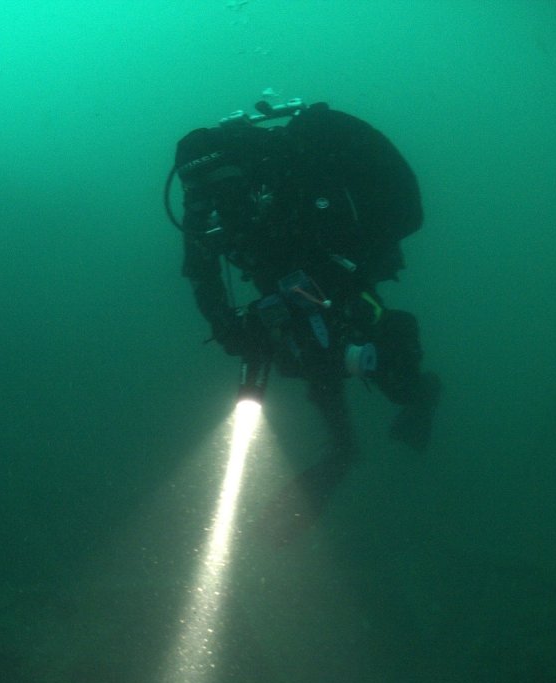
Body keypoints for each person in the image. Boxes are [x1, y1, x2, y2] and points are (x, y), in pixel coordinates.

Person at [173, 101, 441, 542]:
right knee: (303, 358)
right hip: (281, 276)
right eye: (200, 194)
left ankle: (418, 393)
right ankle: (343, 448)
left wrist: (301, 299)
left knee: (361, 348)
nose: (213, 204)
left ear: (242, 173)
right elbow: (199, 271)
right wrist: (226, 324)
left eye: (221, 189)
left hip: (337, 266)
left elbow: (335, 255)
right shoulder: (204, 208)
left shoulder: (290, 178)